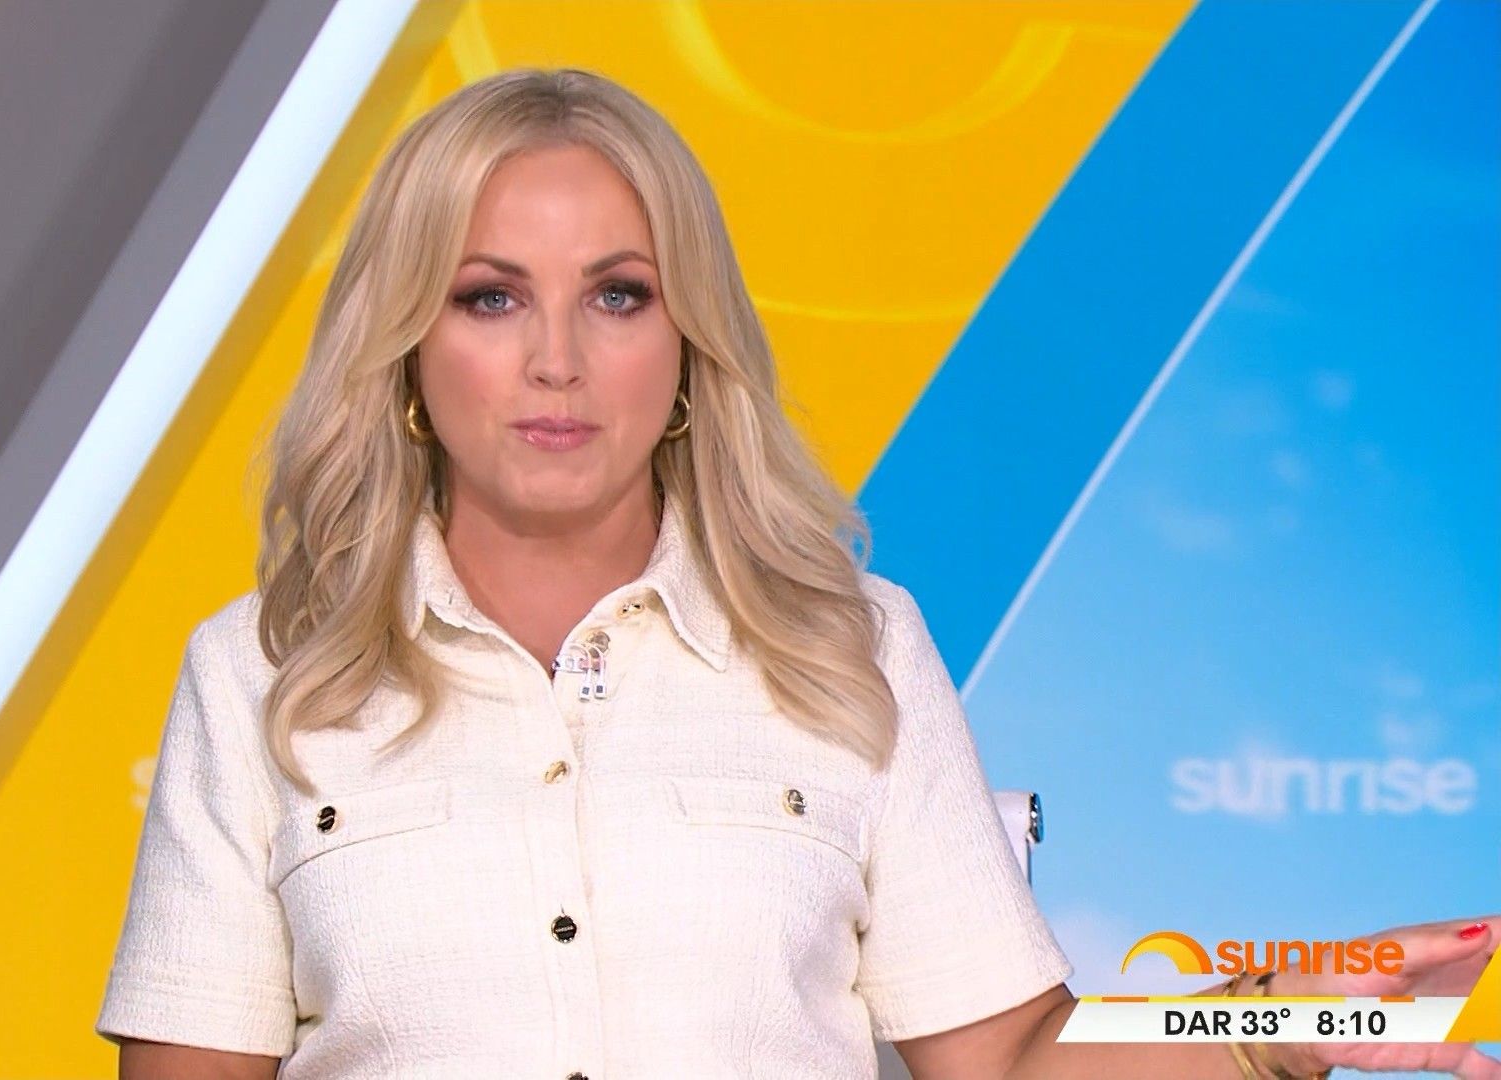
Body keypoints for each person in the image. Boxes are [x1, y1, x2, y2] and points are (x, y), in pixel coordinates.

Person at [93, 67, 1500, 1080]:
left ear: (687, 341)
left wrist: (1301, 1017)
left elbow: (1010, 1060)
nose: (556, 360)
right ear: (407, 342)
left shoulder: (850, 646)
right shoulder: (257, 674)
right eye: (490, 295)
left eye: (619, 295)